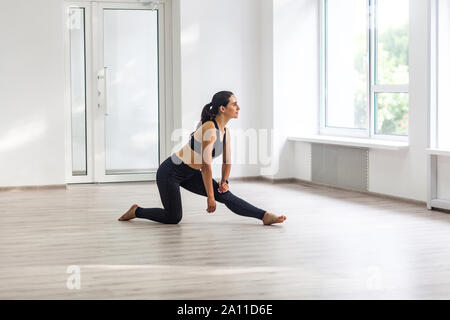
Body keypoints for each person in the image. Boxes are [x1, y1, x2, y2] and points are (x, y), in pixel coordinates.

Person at [118, 91, 287, 225]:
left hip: (190, 174)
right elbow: (206, 167)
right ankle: (136, 211)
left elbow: (227, 161)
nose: (238, 107)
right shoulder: (209, 129)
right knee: (173, 217)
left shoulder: (225, 132)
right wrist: (210, 197)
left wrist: (225, 182)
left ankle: (264, 216)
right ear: (222, 108)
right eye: (234, 104)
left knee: (226, 195)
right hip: (170, 172)